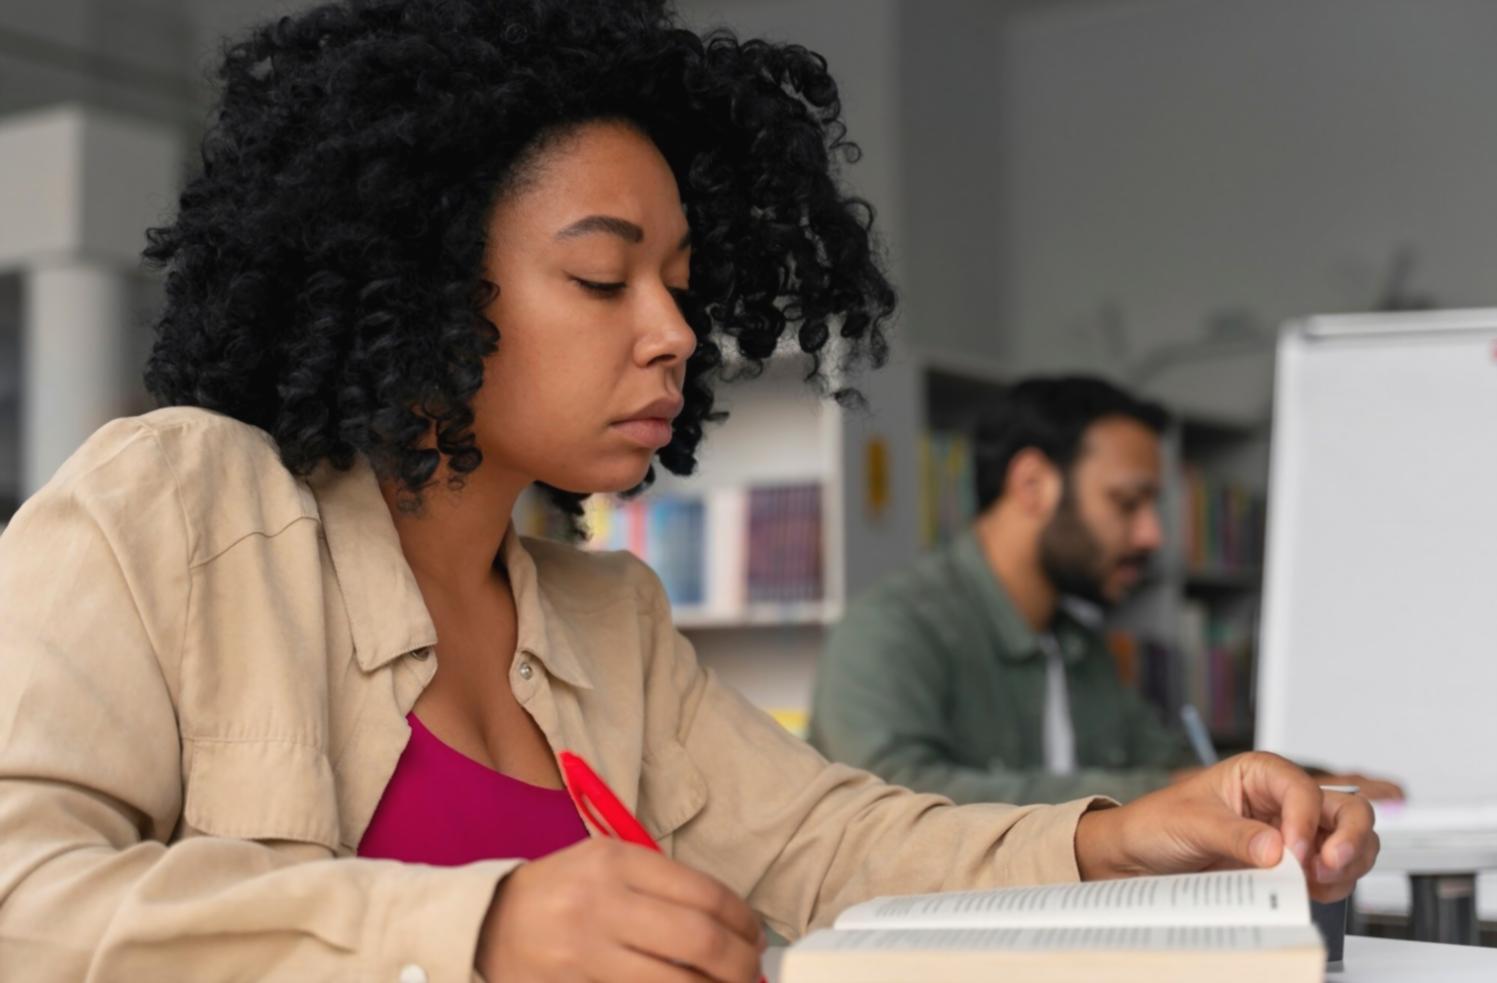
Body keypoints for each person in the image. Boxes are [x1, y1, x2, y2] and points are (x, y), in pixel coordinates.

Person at [0, 3, 1377, 980]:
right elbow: (21, 897)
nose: (670, 331)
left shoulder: (609, 615)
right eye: (602, 277)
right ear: (416, 279)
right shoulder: (178, 502)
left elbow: (833, 844)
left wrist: (1123, 836)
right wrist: (476, 931)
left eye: (678, 282)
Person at [811, 376, 1402, 805]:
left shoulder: (1077, 644)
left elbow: (1170, 763)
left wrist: (1306, 781)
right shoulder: (890, 627)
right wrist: (1179, 790)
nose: (1152, 535)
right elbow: (890, 804)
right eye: (1127, 502)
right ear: (1032, 484)